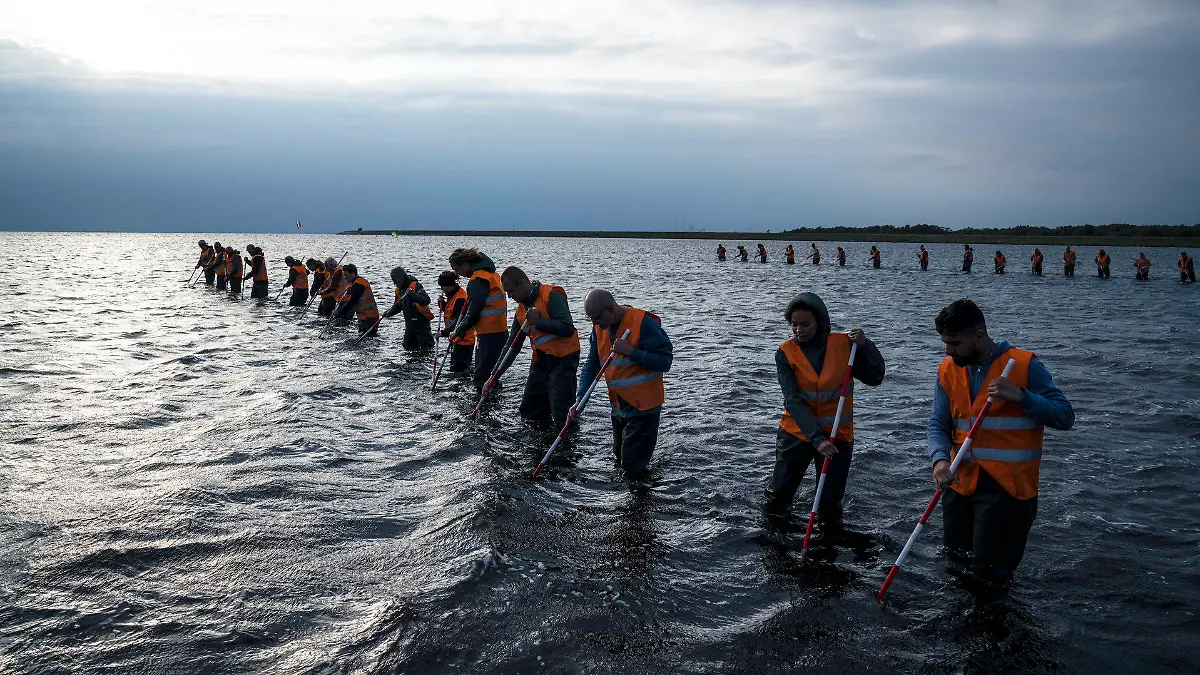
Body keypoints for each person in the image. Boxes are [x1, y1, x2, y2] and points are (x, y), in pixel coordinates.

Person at [928, 299, 1074, 585]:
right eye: (944, 342)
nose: (948, 350)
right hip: (960, 483)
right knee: (955, 565)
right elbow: (938, 423)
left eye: (954, 343)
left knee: (990, 576)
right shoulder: (947, 369)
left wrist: (1022, 396)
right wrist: (939, 459)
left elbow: (1065, 416)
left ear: (979, 336)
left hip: (1008, 491)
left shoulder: (1023, 365)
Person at [766, 293, 886, 533]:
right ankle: (775, 539)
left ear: (820, 321)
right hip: (797, 433)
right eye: (794, 325)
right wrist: (816, 439)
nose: (799, 330)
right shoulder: (785, 353)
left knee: (830, 503)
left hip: (836, 435)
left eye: (805, 324)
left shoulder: (845, 346)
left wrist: (865, 346)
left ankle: (827, 545)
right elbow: (793, 400)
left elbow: (875, 377)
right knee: (779, 495)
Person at [575, 289, 673, 478]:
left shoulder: (643, 323)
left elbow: (665, 360)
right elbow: (592, 364)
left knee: (631, 469)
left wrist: (631, 352)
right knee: (619, 460)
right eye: (591, 320)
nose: (595, 324)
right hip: (619, 407)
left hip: (644, 409)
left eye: (596, 318)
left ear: (610, 309)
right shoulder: (599, 328)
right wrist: (580, 400)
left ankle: (641, 502)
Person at [495, 266, 580, 431]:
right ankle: (537, 448)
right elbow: (512, 346)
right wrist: (495, 375)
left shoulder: (551, 295)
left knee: (562, 414)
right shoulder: (521, 312)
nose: (510, 297)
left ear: (521, 283)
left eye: (511, 291)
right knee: (529, 410)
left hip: (563, 361)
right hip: (540, 361)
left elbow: (567, 328)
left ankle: (566, 450)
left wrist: (538, 321)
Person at [449, 248, 508, 390]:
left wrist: (458, 331)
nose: (456, 273)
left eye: (456, 268)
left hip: (489, 333)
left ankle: (482, 407)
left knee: (482, 377)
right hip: (498, 330)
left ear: (465, 264)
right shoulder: (491, 274)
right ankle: (494, 404)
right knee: (491, 374)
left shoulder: (478, 279)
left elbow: (473, 313)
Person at [383, 266, 435, 350]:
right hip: (409, 326)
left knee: (427, 348)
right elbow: (398, 306)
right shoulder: (398, 290)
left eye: (395, 281)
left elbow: (426, 300)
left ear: (401, 278)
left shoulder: (415, 286)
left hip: (421, 325)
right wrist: (389, 313)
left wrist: (411, 294)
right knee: (407, 348)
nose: (394, 284)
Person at [437, 271, 475, 373]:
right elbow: (451, 314)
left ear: (450, 285)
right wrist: (443, 304)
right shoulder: (452, 296)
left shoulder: (460, 299)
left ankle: (461, 387)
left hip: (464, 340)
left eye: (443, 286)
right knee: (456, 369)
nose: (442, 289)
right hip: (456, 338)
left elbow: (460, 321)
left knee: (459, 370)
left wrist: (443, 333)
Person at [335, 264, 380, 336]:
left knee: (364, 338)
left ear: (353, 274)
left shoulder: (357, 285)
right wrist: (350, 291)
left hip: (367, 318)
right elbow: (359, 296)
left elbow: (352, 302)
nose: (345, 277)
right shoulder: (360, 281)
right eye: (344, 275)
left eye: (346, 275)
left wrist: (339, 313)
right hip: (372, 316)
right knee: (369, 338)